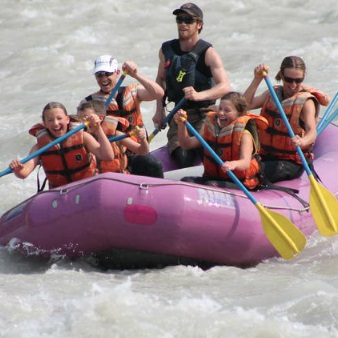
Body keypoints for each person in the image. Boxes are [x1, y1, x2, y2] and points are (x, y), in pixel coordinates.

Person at [152, 3, 231, 169]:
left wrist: (198, 95)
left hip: (205, 113)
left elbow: (225, 87)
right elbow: (160, 80)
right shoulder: (166, 50)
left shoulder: (208, 53)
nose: (183, 24)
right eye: (179, 19)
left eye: (188, 20)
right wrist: (159, 110)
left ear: (199, 25)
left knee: (205, 151)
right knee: (183, 156)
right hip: (179, 114)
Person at [244, 56, 330, 183]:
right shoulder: (272, 93)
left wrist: (302, 141)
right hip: (265, 156)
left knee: (250, 172)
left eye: (298, 80)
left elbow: (312, 131)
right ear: (281, 75)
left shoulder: (306, 102)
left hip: (290, 163)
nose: (293, 85)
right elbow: (244, 105)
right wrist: (257, 80)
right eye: (289, 80)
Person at [174, 92, 268, 190]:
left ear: (239, 114)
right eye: (220, 108)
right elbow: (186, 144)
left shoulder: (245, 135)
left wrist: (233, 164)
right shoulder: (211, 128)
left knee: (211, 185)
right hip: (213, 178)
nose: (221, 113)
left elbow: (245, 162)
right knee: (186, 181)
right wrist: (181, 124)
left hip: (240, 183)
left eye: (227, 110)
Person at [9, 102, 115, 189]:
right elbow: (24, 173)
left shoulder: (83, 137)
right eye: (50, 120)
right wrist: (18, 169)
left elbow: (108, 156)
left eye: (59, 118)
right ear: (45, 124)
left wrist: (98, 129)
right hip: (60, 195)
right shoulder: (39, 147)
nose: (55, 123)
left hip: (87, 188)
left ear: (67, 119)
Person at [80, 55, 164, 140]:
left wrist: (136, 75)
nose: (103, 78)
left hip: (138, 148)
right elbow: (82, 133)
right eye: (99, 75)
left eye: (107, 73)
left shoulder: (132, 92)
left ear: (117, 73)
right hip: (112, 149)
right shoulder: (88, 103)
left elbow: (159, 93)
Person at [77, 100, 164, 178]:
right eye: (81, 119)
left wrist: (143, 139)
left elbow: (143, 151)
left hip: (119, 179)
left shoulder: (115, 134)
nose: (84, 123)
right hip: (95, 180)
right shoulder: (81, 138)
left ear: (100, 119)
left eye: (87, 118)